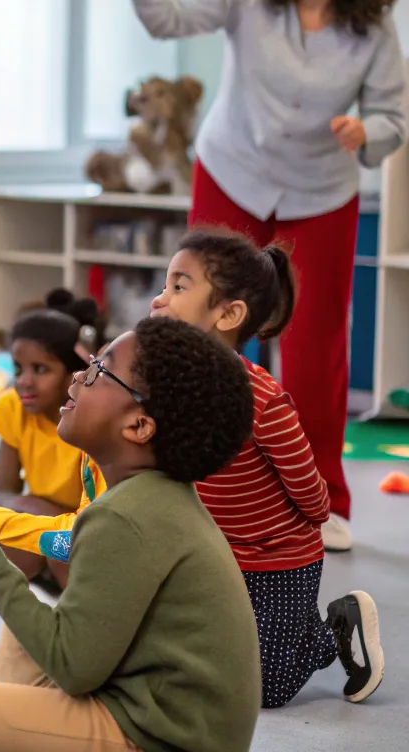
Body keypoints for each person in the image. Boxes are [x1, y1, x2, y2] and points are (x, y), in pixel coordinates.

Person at [96, 0, 407, 551]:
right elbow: (169, 19)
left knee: (315, 340)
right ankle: (189, 477)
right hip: (233, 172)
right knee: (198, 327)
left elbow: (394, 118)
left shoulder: (372, 27)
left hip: (319, 191)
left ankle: (323, 499)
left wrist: (367, 130)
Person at [0, 316, 261, 752]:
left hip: (154, 738)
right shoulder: (154, 496)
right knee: (23, 638)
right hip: (159, 718)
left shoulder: (124, 518)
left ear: (138, 427)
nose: (80, 375)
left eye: (100, 370)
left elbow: (74, 667)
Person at [149, 230, 384, 706]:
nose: (159, 299)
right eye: (164, 284)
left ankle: (334, 625)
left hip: (278, 556)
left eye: (178, 286)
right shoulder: (162, 383)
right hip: (211, 550)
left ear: (229, 314)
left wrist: (307, 520)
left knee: (267, 691)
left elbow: (314, 500)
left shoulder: (261, 397)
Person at [0, 289, 99, 589]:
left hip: (85, 535)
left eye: (40, 369)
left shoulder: (93, 421)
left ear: (73, 374)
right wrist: (34, 508)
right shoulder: (13, 409)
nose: (23, 380)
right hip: (49, 526)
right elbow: (1, 494)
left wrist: (48, 518)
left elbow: (102, 519)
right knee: (6, 539)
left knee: (64, 548)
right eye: (18, 368)